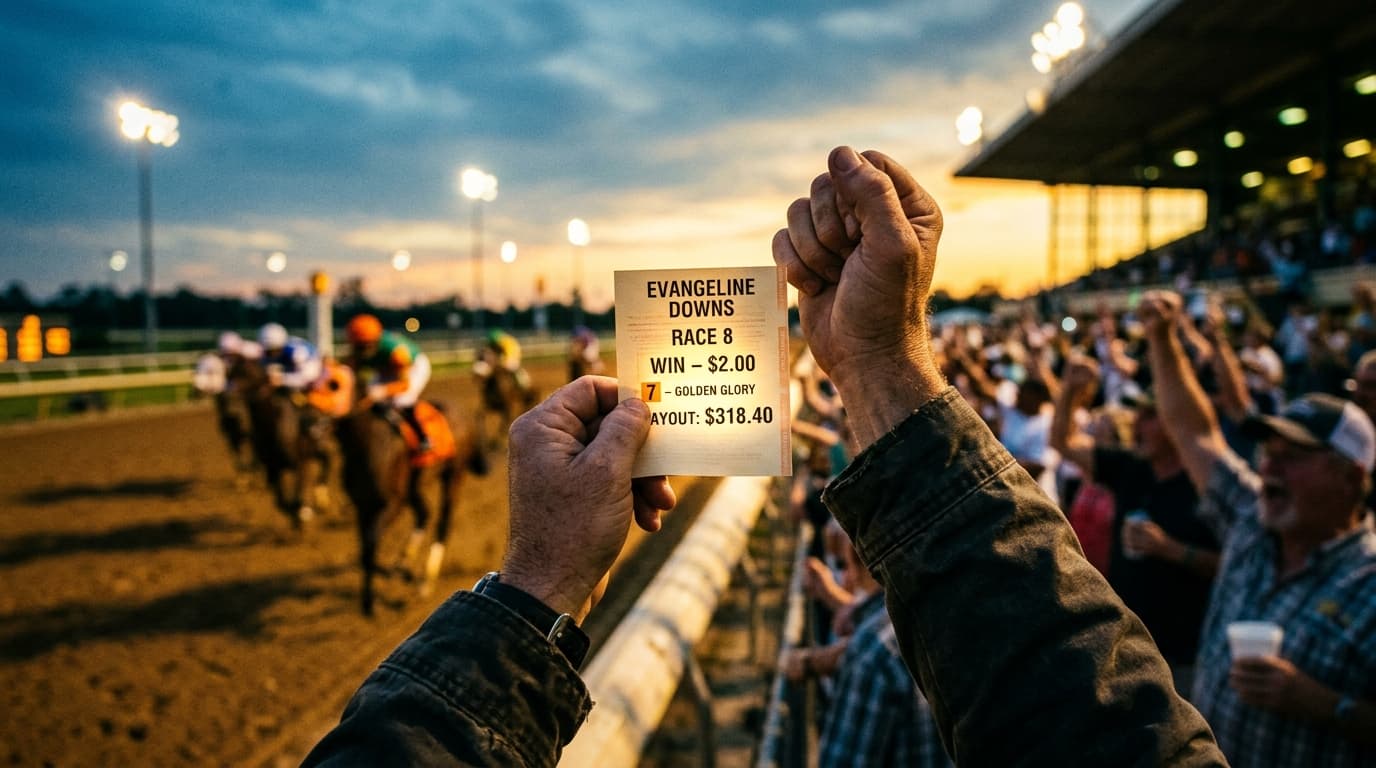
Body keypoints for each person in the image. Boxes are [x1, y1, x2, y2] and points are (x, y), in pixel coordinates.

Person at [304, 148, 1225, 766]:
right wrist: (880, 362)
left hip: (414, 408)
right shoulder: (361, 344)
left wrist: (533, 585)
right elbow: (1094, 721)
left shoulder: (397, 354)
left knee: (412, 416)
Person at [1138, 289, 1376, 767]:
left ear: (1350, 478)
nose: (1269, 471)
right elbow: (1194, 431)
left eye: (1293, 460)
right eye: (1268, 455)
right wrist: (1161, 337)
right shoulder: (1252, 521)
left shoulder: (1369, 583)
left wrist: (1325, 705)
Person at [1051, 354, 1221, 691]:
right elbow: (1063, 443)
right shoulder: (1132, 467)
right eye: (1137, 413)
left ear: (1178, 424)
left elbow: (1233, 566)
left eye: (1149, 416)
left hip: (1184, 655)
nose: (1137, 423)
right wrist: (1070, 390)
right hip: (1127, 642)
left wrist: (1170, 549)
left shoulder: (1208, 486)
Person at [344, 313, 433, 451]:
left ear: (375, 341)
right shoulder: (358, 350)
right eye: (358, 346)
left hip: (413, 366)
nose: (361, 352)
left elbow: (405, 385)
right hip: (386, 368)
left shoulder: (397, 353)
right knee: (368, 393)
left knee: (401, 400)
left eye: (365, 346)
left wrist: (384, 391)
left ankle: (423, 437)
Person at [258, 322, 323, 394]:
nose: (270, 355)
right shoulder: (270, 351)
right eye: (267, 351)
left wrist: (282, 379)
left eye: (272, 351)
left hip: (316, 384)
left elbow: (308, 379)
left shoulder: (298, 353)